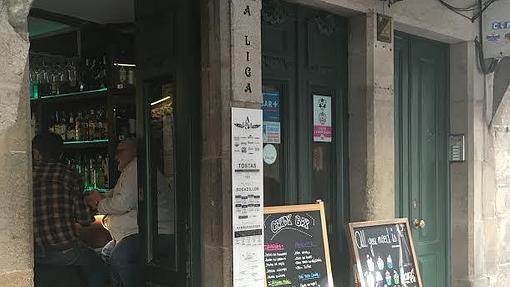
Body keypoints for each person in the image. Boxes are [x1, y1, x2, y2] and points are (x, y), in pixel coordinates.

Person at [88, 138, 175, 287]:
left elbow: (123, 203)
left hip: (156, 233)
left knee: (118, 256)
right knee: (106, 253)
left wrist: (99, 203)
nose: (116, 157)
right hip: (138, 232)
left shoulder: (136, 168)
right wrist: (103, 198)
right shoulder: (132, 170)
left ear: (134, 151)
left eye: (120, 151)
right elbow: (118, 195)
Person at [32, 132, 109, 287]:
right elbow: (84, 219)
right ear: (60, 153)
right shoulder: (70, 175)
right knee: (101, 270)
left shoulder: (26, 175)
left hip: (35, 252)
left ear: (36, 153)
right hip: (65, 251)